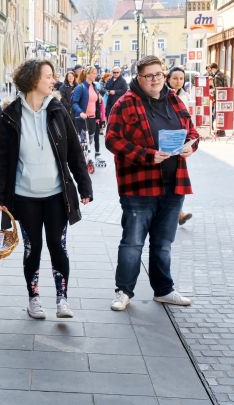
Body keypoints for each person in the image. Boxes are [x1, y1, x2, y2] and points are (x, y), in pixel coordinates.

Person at [0, 59, 93, 320]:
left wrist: (84, 185)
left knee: (58, 246)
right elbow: (1, 159)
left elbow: (74, 153)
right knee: (31, 248)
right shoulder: (10, 115)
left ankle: (62, 298)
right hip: (24, 197)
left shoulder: (58, 110)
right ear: (33, 79)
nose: (54, 80)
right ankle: (33, 298)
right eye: (48, 76)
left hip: (57, 195)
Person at [106, 55, 199, 312]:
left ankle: (164, 290)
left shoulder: (174, 100)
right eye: (149, 75)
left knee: (163, 242)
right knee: (133, 242)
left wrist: (191, 146)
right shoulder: (125, 104)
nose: (155, 79)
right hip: (139, 186)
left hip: (173, 184)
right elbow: (112, 140)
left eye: (159, 74)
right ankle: (123, 291)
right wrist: (147, 155)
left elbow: (192, 131)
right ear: (139, 77)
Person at [166, 66, 194, 227]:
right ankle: (177, 213)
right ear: (168, 78)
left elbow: (189, 121)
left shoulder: (184, 95)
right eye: (175, 78)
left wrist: (190, 140)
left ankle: (178, 212)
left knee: (176, 177)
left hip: (181, 142)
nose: (178, 81)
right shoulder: (163, 94)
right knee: (170, 178)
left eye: (181, 79)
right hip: (166, 140)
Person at [72, 66, 102, 160]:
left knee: (90, 141)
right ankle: (83, 162)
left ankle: (86, 160)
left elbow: (95, 103)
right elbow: (74, 103)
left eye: (96, 73)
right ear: (87, 74)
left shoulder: (94, 87)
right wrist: (80, 112)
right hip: (82, 119)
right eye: (93, 73)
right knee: (84, 142)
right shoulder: (80, 87)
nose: (95, 75)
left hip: (92, 118)